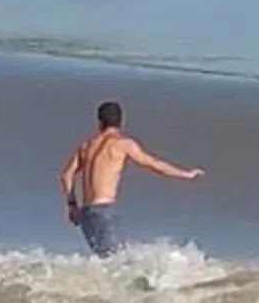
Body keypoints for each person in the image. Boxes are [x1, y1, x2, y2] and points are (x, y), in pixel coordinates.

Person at [58, 100, 203, 258]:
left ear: (99, 122)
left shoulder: (86, 146)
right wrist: (185, 174)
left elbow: (66, 175)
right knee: (118, 259)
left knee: (107, 260)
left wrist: (72, 206)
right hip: (104, 211)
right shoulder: (123, 144)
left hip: (86, 214)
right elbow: (154, 165)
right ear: (121, 122)